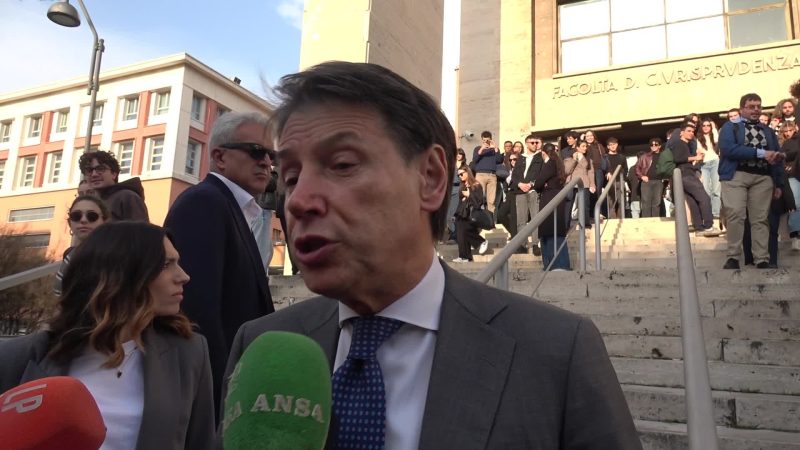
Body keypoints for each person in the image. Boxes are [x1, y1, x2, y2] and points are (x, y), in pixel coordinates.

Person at [221, 61, 640, 449]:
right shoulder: (258, 347)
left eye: (343, 165)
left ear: (432, 177)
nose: (298, 201)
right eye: (291, 177)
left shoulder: (557, 352)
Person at [0, 222, 214, 450]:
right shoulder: (19, 357)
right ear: (121, 275)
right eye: (165, 265)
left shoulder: (189, 353)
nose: (183, 276)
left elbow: (201, 443)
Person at [163, 111, 276, 416]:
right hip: (216, 396)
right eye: (256, 151)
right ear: (220, 157)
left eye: (271, 155)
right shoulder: (204, 203)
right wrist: (222, 397)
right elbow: (196, 310)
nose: (267, 162)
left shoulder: (234, 209)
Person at [718, 93, 785, 269]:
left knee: (760, 219)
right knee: (735, 214)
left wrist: (778, 183)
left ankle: (761, 258)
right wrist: (761, 153)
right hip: (735, 176)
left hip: (763, 178)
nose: (756, 110)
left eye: (758, 106)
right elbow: (728, 149)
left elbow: (776, 157)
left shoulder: (768, 131)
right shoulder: (730, 127)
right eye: (751, 107)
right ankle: (733, 256)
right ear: (742, 109)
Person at [54, 195, 110, 296]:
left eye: (92, 216)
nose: (83, 220)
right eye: (76, 216)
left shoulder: (114, 255)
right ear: (70, 223)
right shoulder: (70, 254)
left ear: (104, 222)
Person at [672, 122, 720, 237]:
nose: (691, 133)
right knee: (704, 198)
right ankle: (708, 226)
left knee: (693, 202)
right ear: (681, 133)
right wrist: (696, 157)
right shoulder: (679, 143)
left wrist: (696, 159)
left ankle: (699, 228)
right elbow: (678, 158)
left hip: (684, 175)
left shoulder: (686, 144)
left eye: (692, 131)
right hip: (686, 175)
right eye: (688, 131)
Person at [79, 150, 149, 221]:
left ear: (114, 174)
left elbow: (140, 227)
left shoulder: (127, 197)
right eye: (89, 170)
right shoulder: (93, 202)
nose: (94, 174)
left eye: (100, 169)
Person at [534, 143, 570, 270]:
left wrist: (541, 184)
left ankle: (554, 264)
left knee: (549, 231)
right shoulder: (559, 163)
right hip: (557, 198)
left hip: (549, 198)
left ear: (543, 153)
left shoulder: (549, 163)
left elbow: (538, 183)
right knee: (556, 231)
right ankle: (561, 264)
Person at [511, 134, 544, 254]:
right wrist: (520, 184)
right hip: (520, 191)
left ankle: (535, 244)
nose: (535, 145)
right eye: (532, 143)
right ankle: (522, 244)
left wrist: (530, 184)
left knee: (535, 218)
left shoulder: (540, 157)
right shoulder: (520, 158)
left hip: (533, 191)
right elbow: (514, 175)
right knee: (521, 220)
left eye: (536, 143)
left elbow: (540, 174)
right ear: (526, 144)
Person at [452, 167, 488, 263]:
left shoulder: (476, 185)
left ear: (467, 172)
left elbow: (478, 203)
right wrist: (455, 214)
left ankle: (481, 241)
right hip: (461, 213)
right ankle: (464, 256)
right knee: (460, 234)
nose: (460, 176)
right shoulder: (462, 186)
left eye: (461, 174)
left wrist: (469, 195)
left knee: (465, 231)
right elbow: (461, 203)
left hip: (471, 214)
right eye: (458, 175)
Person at [564, 140, 597, 228]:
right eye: (583, 146)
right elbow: (567, 170)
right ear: (577, 147)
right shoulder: (569, 158)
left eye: (586, 146)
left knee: (585, 204)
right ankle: (565, 225)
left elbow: (591, 173)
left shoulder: (588, 159)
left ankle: (585, 223)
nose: (585, 148)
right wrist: (574, 159)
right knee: (568, 204)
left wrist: (592, 184)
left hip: (584, 182)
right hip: (571, 182)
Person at [779, 121, 800, 250]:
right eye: (785, 131)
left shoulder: (796, 140)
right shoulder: (783, 143)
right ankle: (795, 236)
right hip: (791, 176)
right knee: (795, 205)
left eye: (790, 130)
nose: (788, 133)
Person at [696, 118, 722, 219]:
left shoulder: (713, 135)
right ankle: (707, 213)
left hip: (715, 162)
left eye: (708, 125)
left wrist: (714, 128)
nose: (706, 127)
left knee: (716, 189)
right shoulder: (698, 138)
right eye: (704, 125)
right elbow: (699, 150)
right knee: (706, 190)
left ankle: (716, 213)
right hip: (704, 164)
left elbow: (717, 140)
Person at [471, 131, 498, 214]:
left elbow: (499, 160)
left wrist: (495, 148)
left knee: (491, 200)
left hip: (492, 175)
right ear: (481, 140)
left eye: (487, 140)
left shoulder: (494, 149)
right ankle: (480, 217)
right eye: (484, 140)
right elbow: (474, 160)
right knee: (479, 197)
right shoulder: (477, 148)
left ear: (491, 140)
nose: (486, 142)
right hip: (480, 175)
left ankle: (491, 218)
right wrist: (482, 148)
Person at [637, 138, 664, 218]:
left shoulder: (663, 156)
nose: (653, 146)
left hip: (658, 181)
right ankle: (646, 221)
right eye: (652, 145)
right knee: (646, 203)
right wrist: (642, 176)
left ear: (659, 146)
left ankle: (655, 221)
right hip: (646, 182)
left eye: (656, 144)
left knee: (657, 203)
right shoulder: (644, 156)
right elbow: (637, 168)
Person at [604, 137, 628, 219]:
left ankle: (621, 219)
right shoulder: (605, 157)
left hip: (620, 181)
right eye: (610, 145)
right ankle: (612, 220)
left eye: (614, 144)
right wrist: (607, 173)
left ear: (617, 145)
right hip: (609, 182)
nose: (613, 146)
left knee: (621, 202)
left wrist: (623, 179)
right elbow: (602, 168)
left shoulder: (622, 157)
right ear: (608, 147)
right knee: (611, 203)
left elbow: (625, 169)